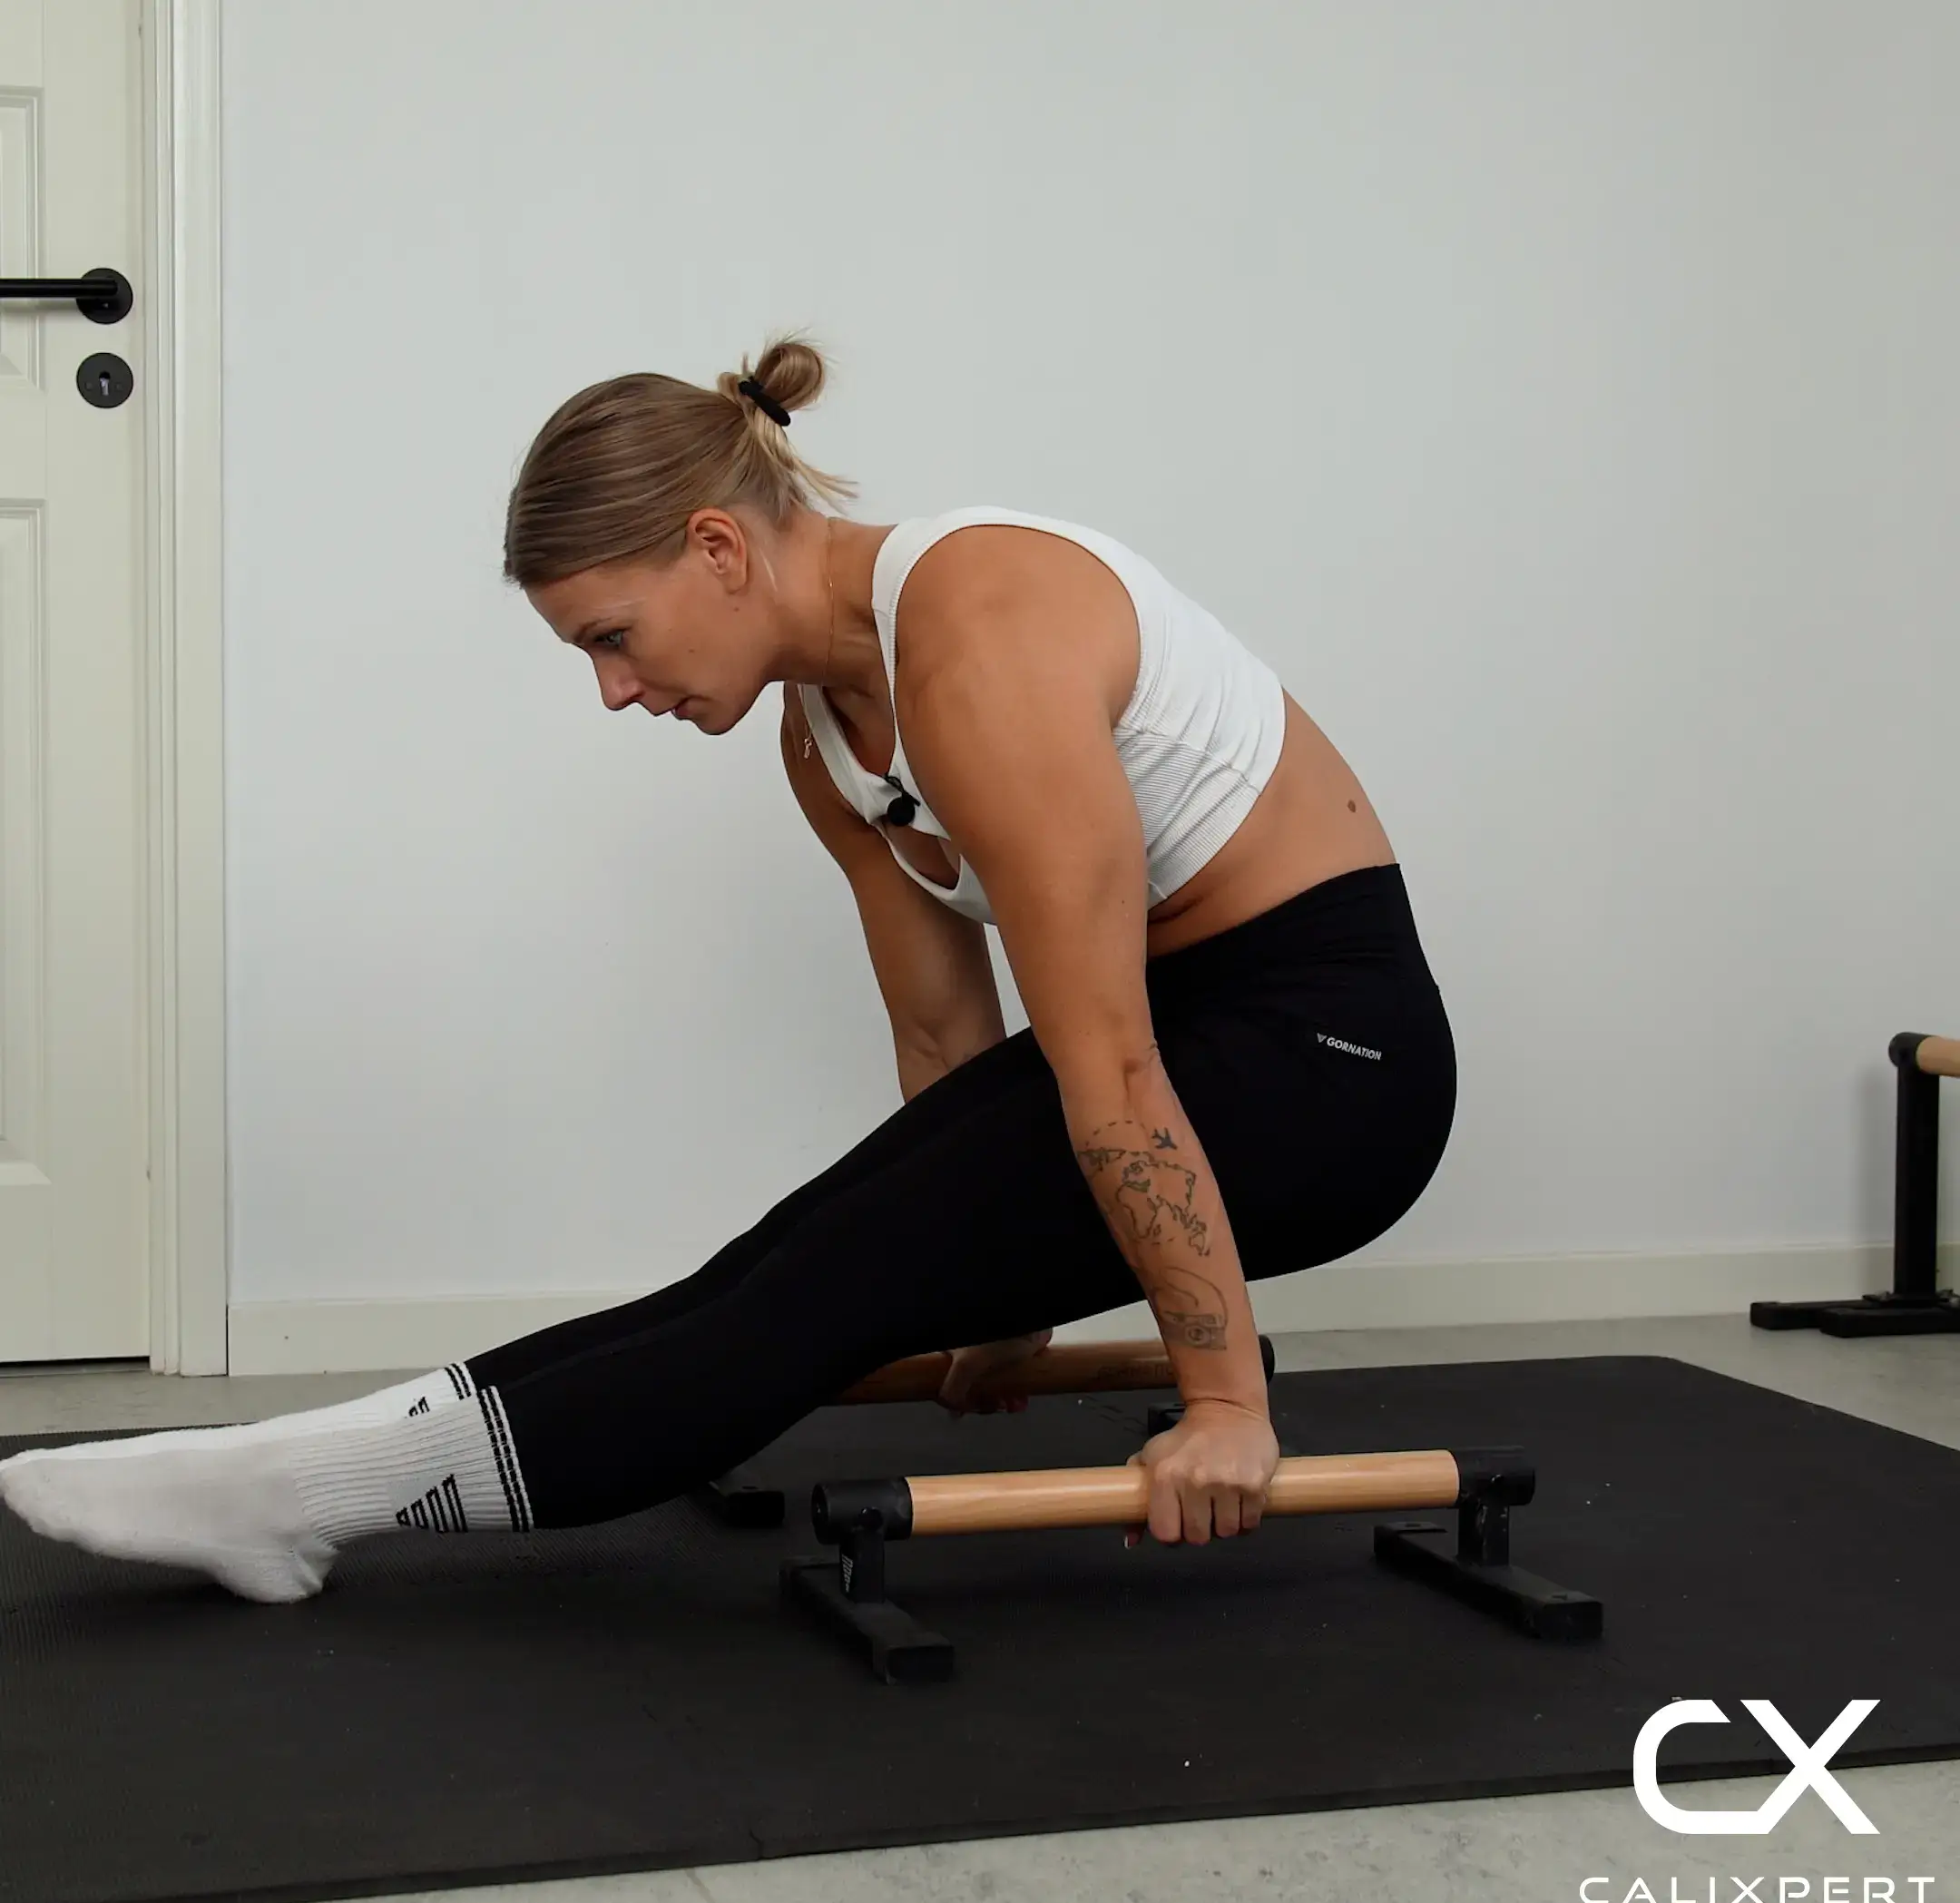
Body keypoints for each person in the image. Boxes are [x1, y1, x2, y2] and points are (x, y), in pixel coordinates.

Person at [0, 337, 1456, 1604]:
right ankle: (278, 1478)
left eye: (613, 638)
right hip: (1187, 1046)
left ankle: (294, 1496)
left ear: (715, 547)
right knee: (785, 1266)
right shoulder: (824, 742)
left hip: (1337, 1068)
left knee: (807, 1294)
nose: (612, 689)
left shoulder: (981, 636)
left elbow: (1114, 1066)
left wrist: (1225, 1401)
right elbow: (948, 1052)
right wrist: (988, 1287)